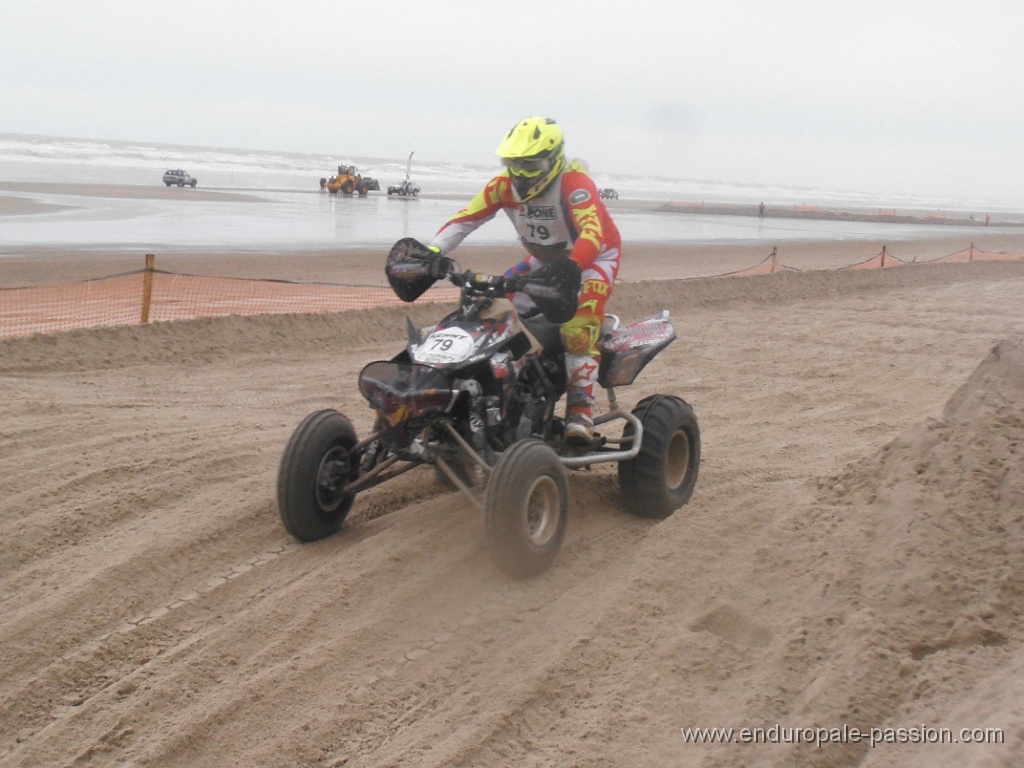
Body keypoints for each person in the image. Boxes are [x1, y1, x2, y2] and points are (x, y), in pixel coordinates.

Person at [427, 116, 622, 445]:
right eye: (513, 163)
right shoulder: (503, 186)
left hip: (592, 259)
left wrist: (573, 266)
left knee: (577, 327)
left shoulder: (574, 183)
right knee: (491, 309)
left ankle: (580, 413)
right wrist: (431, 252)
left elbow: (592, 232)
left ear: (554, 158)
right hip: (544, 260)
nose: (521, 173)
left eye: (530, 165)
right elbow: (465, 219)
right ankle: (501, 395)